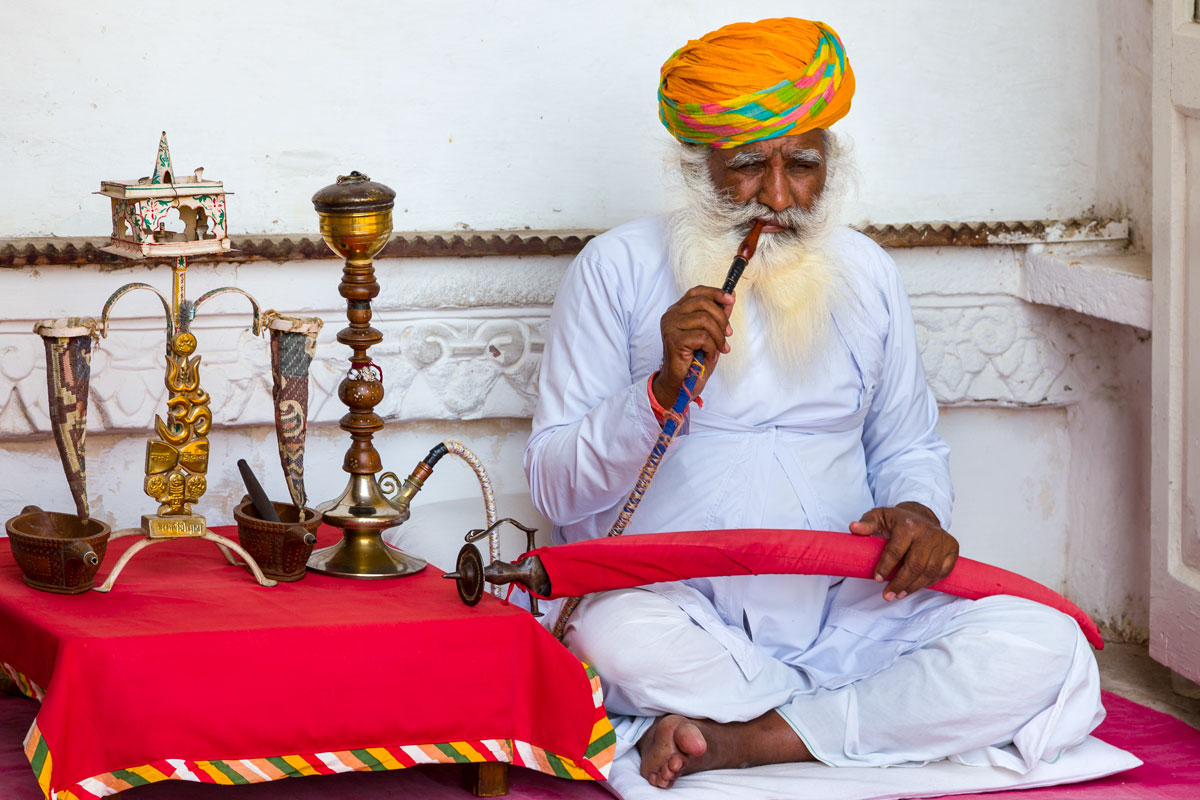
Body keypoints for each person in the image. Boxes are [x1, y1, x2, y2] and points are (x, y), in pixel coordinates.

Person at [523, 17, 1103, 790]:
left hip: (847, 610)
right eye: (747, 166)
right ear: (697, 165)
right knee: (613, 644)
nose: (777, 196)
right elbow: (555, 486)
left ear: (830, 164)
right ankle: (855, 719)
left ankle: (745, 738)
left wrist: (917, 513)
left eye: (801, 166)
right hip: (675, 611)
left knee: (1042, 642)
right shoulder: (616, 269)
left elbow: (907, 447)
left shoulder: (866, 273)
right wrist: (655, 393)